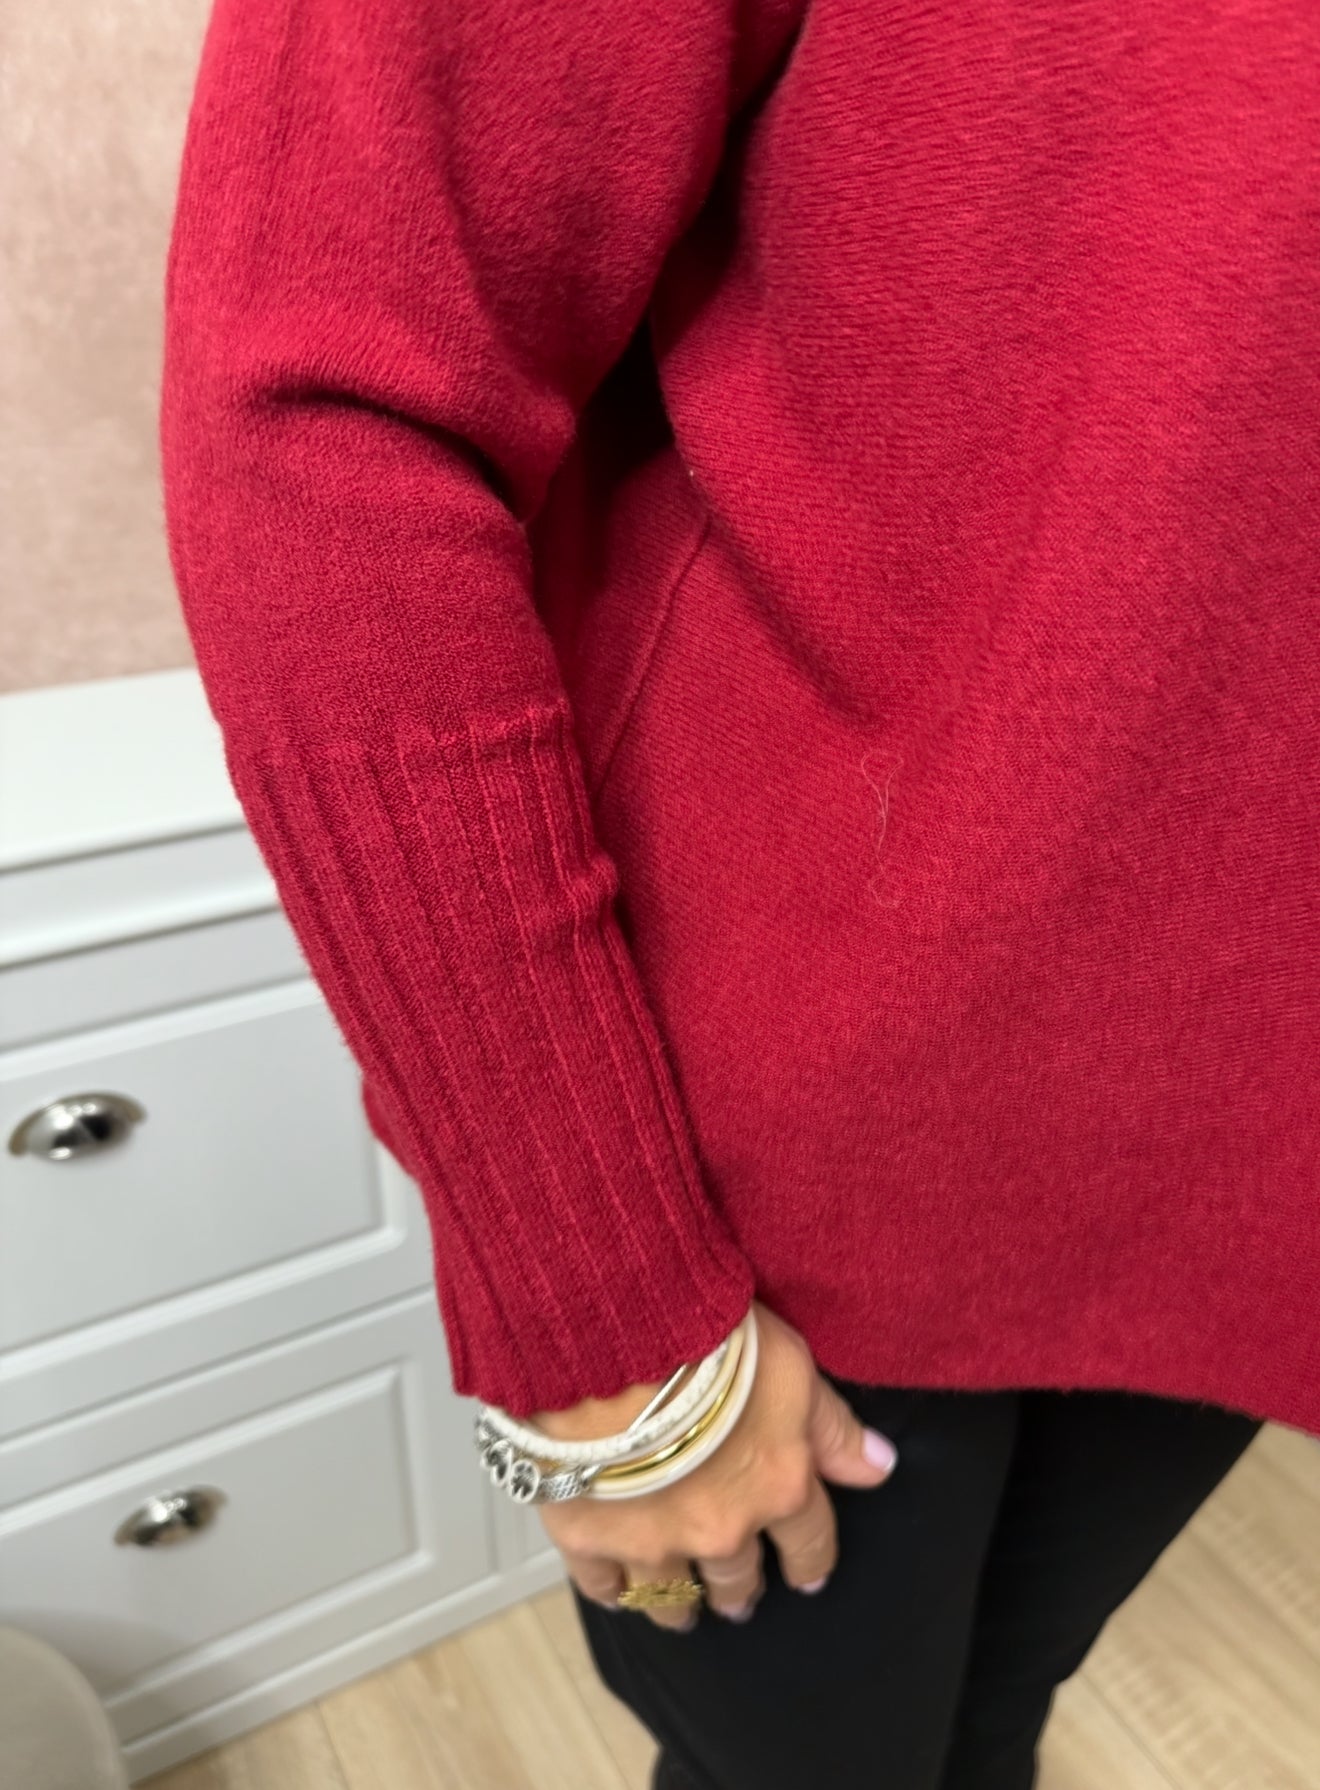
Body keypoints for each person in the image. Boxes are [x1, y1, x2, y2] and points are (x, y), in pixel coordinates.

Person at [158, 2, 1318, 1786]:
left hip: (1247, 1157)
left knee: (987, 1725)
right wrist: (601, 1293)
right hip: (800, 1194)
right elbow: (328, 405)